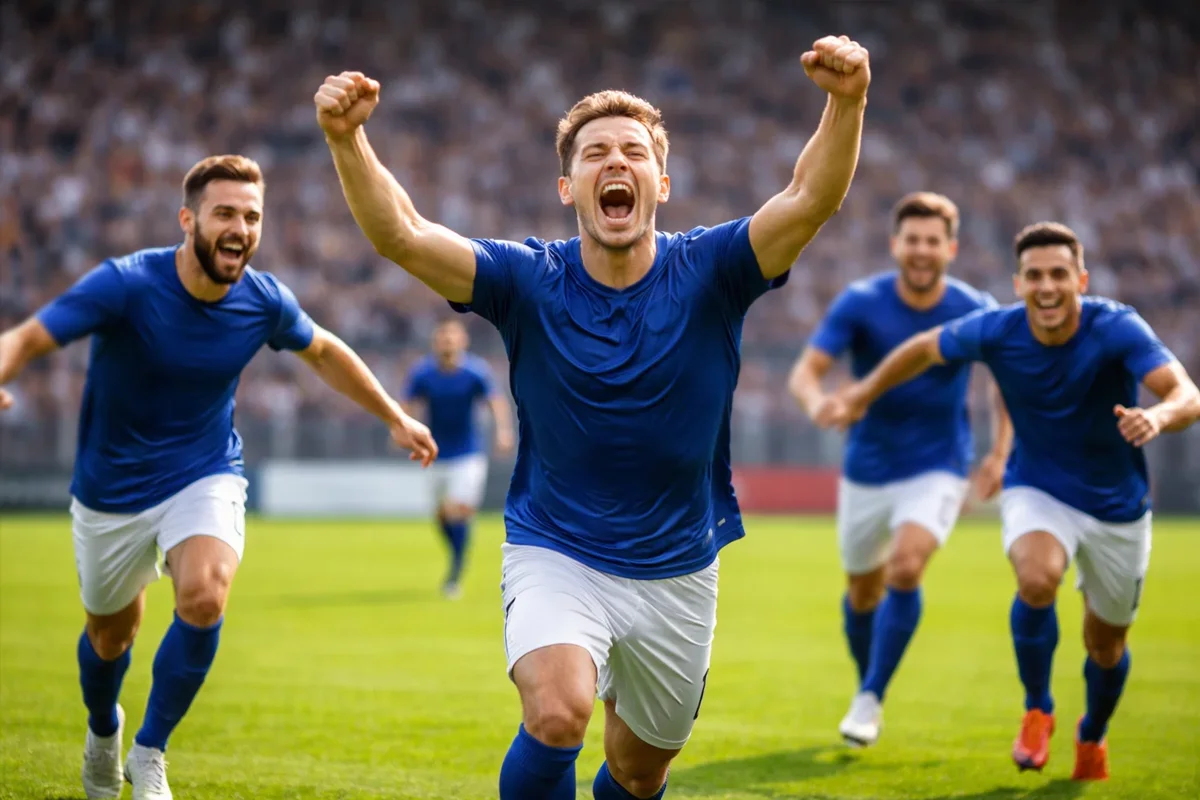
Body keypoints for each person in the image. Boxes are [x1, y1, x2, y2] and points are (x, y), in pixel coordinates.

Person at [315, 33, 870, 800]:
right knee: (558, 713)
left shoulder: (713, 269)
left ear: (662, 182)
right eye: (595, 153)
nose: (616, 162)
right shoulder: (526, 279)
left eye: (634, 152)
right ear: (567, 187)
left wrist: (847, 100)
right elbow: (401, 235)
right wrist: (349, 140)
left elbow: (812, 198)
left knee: (640, 772)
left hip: (680, 566)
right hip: (557, 549)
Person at [0, 155, 436, 800]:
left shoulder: (262, 300)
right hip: (111, 490)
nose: (240, 227)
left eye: (252, 216)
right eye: (225, 213)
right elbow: (32, 336)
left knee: (204, 595)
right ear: (188, 220)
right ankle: (103, 731)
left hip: (204, 471)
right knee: (109, 637)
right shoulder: (125, 284)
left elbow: (323, 350)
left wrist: (393, 416)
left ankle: (149, 751)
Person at [827, 221, 1200, 781]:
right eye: (1034, 276)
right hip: (1037, 486)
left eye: (1058, 275)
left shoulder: (1116, 326)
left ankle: (1091, 734)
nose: (1046, 287)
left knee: (1106, 644)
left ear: (1081, 279)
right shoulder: (997, 330)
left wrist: (1158, 415)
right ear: (1018, 283)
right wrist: (861, 392)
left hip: (1118, 505)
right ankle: (1038, 708)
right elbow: (923, 349)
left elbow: (1185, 394)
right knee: (1036, 578)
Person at [789, 191, 1011, 747]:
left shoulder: (972, 306)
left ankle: (869, 699)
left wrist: (1001, 452)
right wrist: (820, 405)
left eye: (932, 241)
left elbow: (1005, 381)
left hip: (938, 464)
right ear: (895, 245)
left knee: (906, 568)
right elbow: (807, 372)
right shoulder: (861, 302)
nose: (921, 250)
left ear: (950, 248)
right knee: (862, 594)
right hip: (867, 466)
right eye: (912, 240)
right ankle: (869, 685)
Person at [402, 318, 515, 597]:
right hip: (434, 453)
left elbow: (495, 402)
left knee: (457, 510)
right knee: (441, 516)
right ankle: (457, 555)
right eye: (443, 338)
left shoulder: (475, 371)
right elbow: (408, 403)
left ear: (462, 341)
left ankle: (455, 571)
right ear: (435, 342)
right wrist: (402, 427)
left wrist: (503, 431)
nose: (447, 342)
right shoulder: (424, 373)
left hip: (468, 454)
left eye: (452, 337)